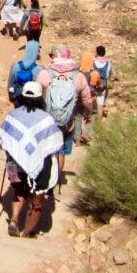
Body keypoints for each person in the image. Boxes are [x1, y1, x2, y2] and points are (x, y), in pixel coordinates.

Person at [0, 81, 63, 238]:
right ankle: (27, 233)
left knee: (18, 190)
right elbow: (55, 143)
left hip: (14, 164)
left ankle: (13, 219)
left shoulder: (13, 115)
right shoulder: (46, 119)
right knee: (37, 198)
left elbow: (2, 138)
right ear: (41, 97)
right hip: (39, 166)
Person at [37, 45, 93, 184]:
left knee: (46, 150)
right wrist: (88, 114)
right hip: (67, 123)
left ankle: (43, 178)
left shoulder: (45, 74)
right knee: (61, 152)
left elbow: (35, 94)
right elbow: (87, 100)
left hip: (47, 121)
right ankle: (56, 179)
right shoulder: (78, 76)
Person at [7, 40, 42, 106]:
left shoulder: (15, 65)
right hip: (32, 100)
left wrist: (11, 98)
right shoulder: (39, 69)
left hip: (18, 98)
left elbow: (10, 84)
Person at [77, 50, 101, 144]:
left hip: (79, 99)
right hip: (91, 99)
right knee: (91, 115)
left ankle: (77, 139)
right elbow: (97, 85)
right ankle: (86, 133)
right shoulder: (94, 73)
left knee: (78, 117)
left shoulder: (77, 73)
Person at [92, 45, 112, 120]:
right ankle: (99, 124)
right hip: (103, 86)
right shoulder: (108, 63)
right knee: (100, 105)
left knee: (92, 103)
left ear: (97, 53)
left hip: (93, 85)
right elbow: (109, 75)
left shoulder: (93, 62)